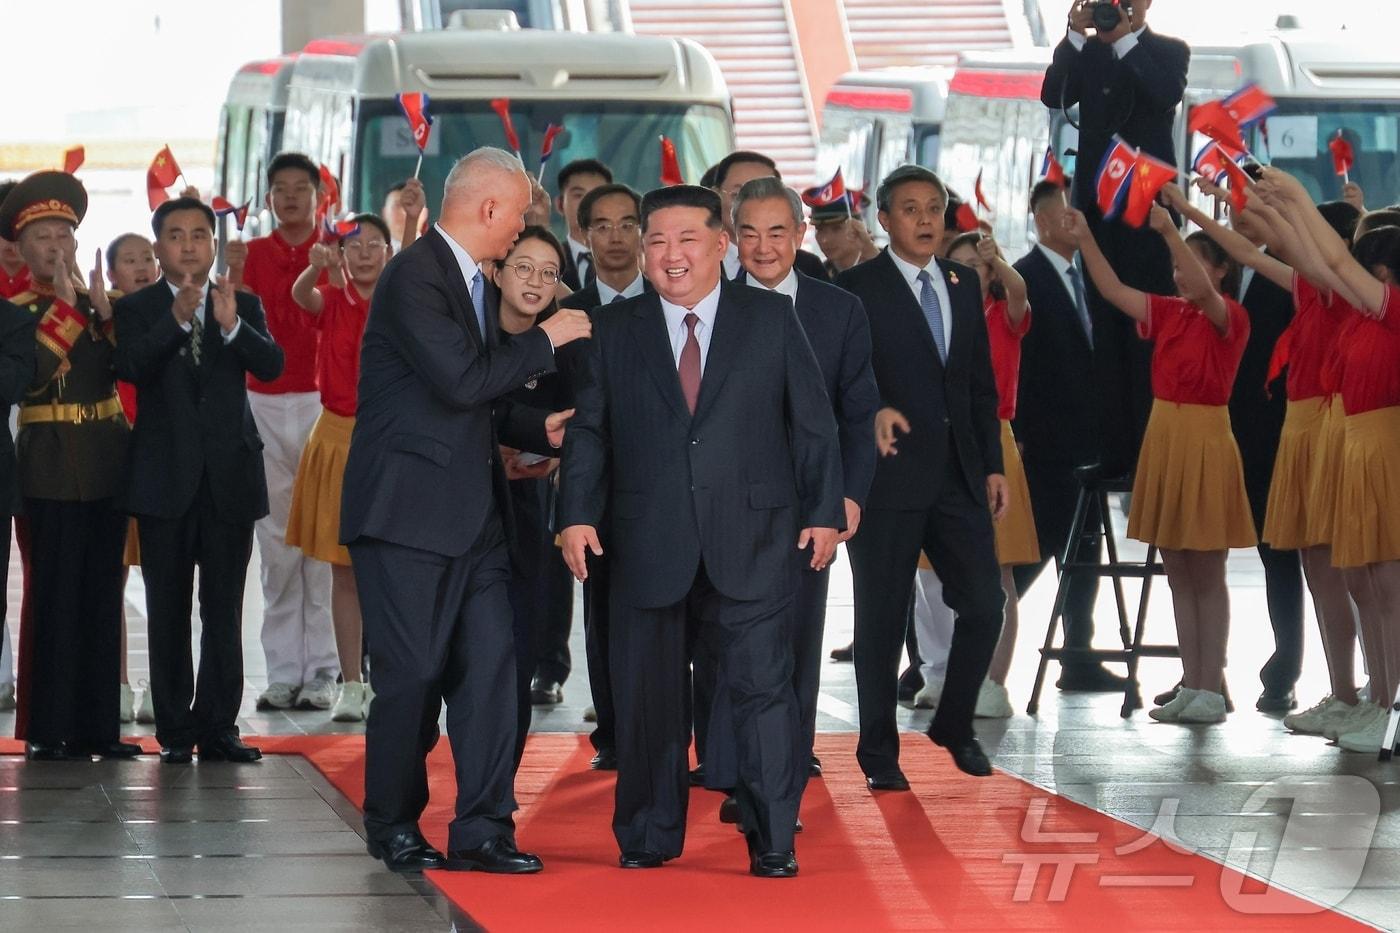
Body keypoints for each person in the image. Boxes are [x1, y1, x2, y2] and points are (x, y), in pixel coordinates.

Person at [557, 184, 844, 878]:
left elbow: (812, 422)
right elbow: (591, 431)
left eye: (687, 238)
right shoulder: (615, 329)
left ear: (721, 244)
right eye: (657, 241)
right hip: (645, 539)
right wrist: (575, 514)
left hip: (755, 538)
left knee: (762, 693)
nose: (670, 254)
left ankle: (772, 836)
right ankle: (648, 833)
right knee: (648, 699)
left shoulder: (770, 317)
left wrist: (824, 512)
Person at [340, 147, 590, 874]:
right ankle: (391, 821)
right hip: (407, 518)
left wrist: (535, 429)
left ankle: (484, 828)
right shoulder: (415, 275)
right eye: (519, 214)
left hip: (477, 517)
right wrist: (548, 338)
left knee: (492, 678)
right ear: (489, 209)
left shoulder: (469, 278)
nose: (522, 228)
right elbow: (460, 380)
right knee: (413, 676)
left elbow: (478, 400)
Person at [834, 164, 1007, 785]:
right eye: (911, 209)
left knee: (985, 603)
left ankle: (954, 723)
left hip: (958, 475)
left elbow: (978, 385)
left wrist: (992, 465)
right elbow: (841, 377)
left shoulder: (962, 283)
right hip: (884, 479)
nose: (926, 219)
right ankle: (878, 753)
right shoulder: (856, 288)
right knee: (880, 622)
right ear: (884, 220)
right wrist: (873, 410)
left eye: (934, 208)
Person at [708, 176, 877, 803]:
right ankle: (730, 771)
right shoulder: (709, 305)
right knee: (726, 644)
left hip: (810, 506)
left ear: (801, 234)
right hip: (722, 508)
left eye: (777, 232)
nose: (763, 247)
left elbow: (858, 413)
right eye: (749, 233)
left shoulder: (839, 310)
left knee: (799, 641)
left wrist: (846, 496)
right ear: (731, 237)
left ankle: (784, 773)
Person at [1179, 188, 1365, 735]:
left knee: (1351, 577)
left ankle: (1363, 693)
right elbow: (1249, 252)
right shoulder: (1307, 287)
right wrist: (1190, 210)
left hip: (1324, 427)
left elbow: (1287, 246)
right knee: (1317, 568)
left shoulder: (1340, 289)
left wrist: (1287, 201)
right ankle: (1343, 691)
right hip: (1299, 430)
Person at [1066, 202, 1255, 724]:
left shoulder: (1230, 317)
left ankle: (1211, 686)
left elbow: (1207, 295)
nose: (1179, 274)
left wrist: (1171, 230)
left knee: (1207, 571)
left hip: (1205, 439)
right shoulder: (1170, 313)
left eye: (1191, 263)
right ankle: (1193, 683)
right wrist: (1086, 239)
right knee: (1177, 571)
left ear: (1221, 270)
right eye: (1175, 266)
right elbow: (1112, 290)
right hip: (1166, 437)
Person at [114, 196, 284, 763]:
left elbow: (272, 366)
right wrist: (177, 319)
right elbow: (130, 366)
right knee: (167, 610)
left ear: (214, 245)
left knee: (223, 609)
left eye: (198, 235)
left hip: (229, 478)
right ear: (158, 247)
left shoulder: (242, 302)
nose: (188, 245)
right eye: (176, 235)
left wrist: (232, 326)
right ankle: (174, 731)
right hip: (163, 479)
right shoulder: (139, 307)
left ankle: (218, 728)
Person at [1253, 167, 1400, 751]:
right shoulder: (1368, 311)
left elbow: (1332, 262)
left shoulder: (1391, 308)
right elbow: (1320, 262)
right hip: (1362, 448)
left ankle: (1389, 707)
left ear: (1381, 273)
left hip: (1382, 447)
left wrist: (1293, 197)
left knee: (1388, 587)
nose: (1347, 273)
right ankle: (1378, 702)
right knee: (1371, 582)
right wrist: (1278, 208)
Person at [4, 172, 132, 761]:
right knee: (51, 594)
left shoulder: (104, 304)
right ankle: (47, 727)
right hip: (48, 464)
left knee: (103, 593)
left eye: (64, 235)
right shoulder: (15, 312)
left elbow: (133, 366)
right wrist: (64, 310)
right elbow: (28, 378)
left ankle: (99, 727)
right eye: (42, 238)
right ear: (20, 249)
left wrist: (103, 314)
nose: (56, 246)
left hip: (106, 458)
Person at [1041, 0, 1190, 473]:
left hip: (1148, 210)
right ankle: (1114, 452)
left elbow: (1163, 93)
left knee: (1146, 326)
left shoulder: (1169, 50)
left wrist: (1124, 39)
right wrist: (1074, 35)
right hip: (1097, 210)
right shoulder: (1086, 53)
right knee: (1105, 330)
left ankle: (1151, 450)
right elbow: (1053, 95)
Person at [226, 152, 338, 713]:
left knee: (322, 541)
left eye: (301, 188)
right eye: (281, 189)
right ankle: (282, 671)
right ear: (268, 199)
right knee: (276, 544)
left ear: (320, 196)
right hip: (262, 403)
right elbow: (228, 324)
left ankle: (324, 671)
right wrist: (230, 271)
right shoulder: (248, 254)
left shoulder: (334, 251)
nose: (291, 197)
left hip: (322, 403)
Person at [1011, 180, 1128, 692]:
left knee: (1083, 552)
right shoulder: (1024, 278)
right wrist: (1020, 434)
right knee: (1033, 549)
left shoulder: (1093, 277)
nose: (1075, 222)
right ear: (1041, 220)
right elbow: (1018, 365)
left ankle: (1078, 653)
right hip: (1044, 442)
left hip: (1088, 443)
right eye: (1064, 214)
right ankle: (963, 645)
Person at [557, 183, 649, 768]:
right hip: (596, 486)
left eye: (627, 223)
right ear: (584, 235)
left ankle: (673, 732)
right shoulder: (568, 314)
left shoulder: (671, 298)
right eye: (602, 226)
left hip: (666, 484)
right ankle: (612, 735)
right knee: (604, 614)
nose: (616, 237)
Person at [287, 213, 392, 723]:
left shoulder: (402, 303)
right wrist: (314, 267)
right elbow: (299, 296)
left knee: (392, 568)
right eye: (356, 246)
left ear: (390, 253)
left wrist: (411, 217)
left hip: (391, 440)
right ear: (342, 255)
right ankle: (352, 683)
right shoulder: (330, 299)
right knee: (344, 568)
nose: (365, 253)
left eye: (375, 245)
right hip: (337, 436)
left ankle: (390, 680)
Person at [491, 226, 576, 763]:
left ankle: (500, 783)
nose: (535, 281)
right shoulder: (469, 333)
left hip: (526, 505)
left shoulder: (563, 345)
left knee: (517, 652)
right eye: (523, 267)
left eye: (549, 273)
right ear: (497, 272)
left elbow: (576, 421)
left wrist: (551, 457)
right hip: (460, 508)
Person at [944, 231, 1035, 718]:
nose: (964, 274)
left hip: (994, 438)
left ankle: (995, 681)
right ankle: (957, 674)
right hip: (949, 440)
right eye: (955, 265)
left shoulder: (1003, 315)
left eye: (974, 266)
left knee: (1000, 571)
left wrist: (997, 259)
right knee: (955, 568)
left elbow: (1019, 292)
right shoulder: (941, 317)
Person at [105, 232, 160, 726]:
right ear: (111, 274)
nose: (141, 266)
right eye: (129, 260)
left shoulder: (175, 313)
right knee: (111, 579)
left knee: (167, 580)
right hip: (116, 458)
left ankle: (163, 687)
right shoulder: (103, 320)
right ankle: (117, 685)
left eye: (147, 257)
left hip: (163, 459)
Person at [709, 151, 828, 281]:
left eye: (766, 194)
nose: (755, 206)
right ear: (715, 196)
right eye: (738, 194)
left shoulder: (809, 267)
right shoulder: (698, 258)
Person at [555, 158, 613, 289]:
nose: (589, 203)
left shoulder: (633, 257)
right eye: (578, 195)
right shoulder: (551, 259)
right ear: (560, 204)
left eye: (598, 195)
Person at [811, 192, 878, 280]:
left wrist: (871, 253)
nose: (825, 239)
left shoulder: (888, 262)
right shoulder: (817, 277)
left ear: (857, 228)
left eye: (836, 228)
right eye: (819, 229)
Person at [382, 178, 427, 251]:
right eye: (397, 205)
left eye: (411, 204)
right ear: (384, 213)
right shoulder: (370, 253)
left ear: (425, 213)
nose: (404, 212)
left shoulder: (438, 253)